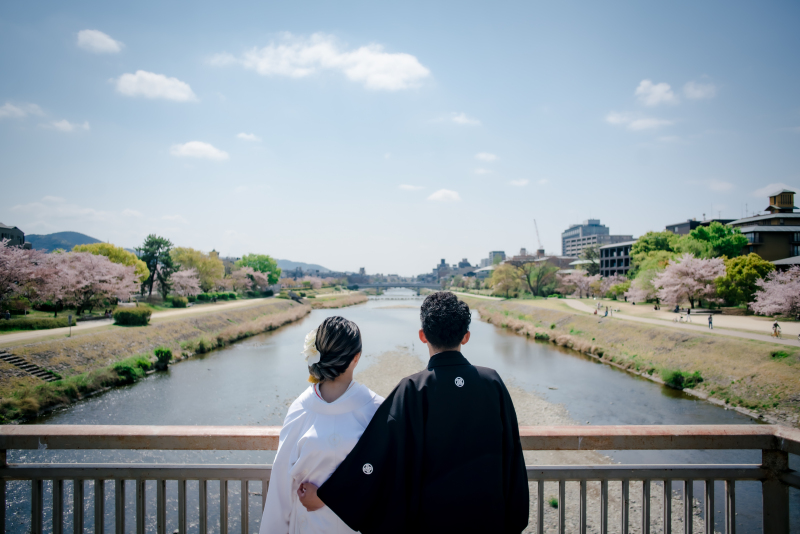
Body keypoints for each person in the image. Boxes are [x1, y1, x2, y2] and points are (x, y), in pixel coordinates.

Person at [297, 292, 529, 534]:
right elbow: (512, 451)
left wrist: (328, 495)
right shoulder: (492, 382)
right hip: (488, 518)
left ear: (422, 335)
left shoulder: (412, 388)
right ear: (466, 336)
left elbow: (377, 456)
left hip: (433, 521)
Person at [259, 316, 384, 534]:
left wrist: (328, 497)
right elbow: (386, 482)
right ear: (356, 357)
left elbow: (281, 487)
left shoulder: (301, 409)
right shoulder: (376, 409)